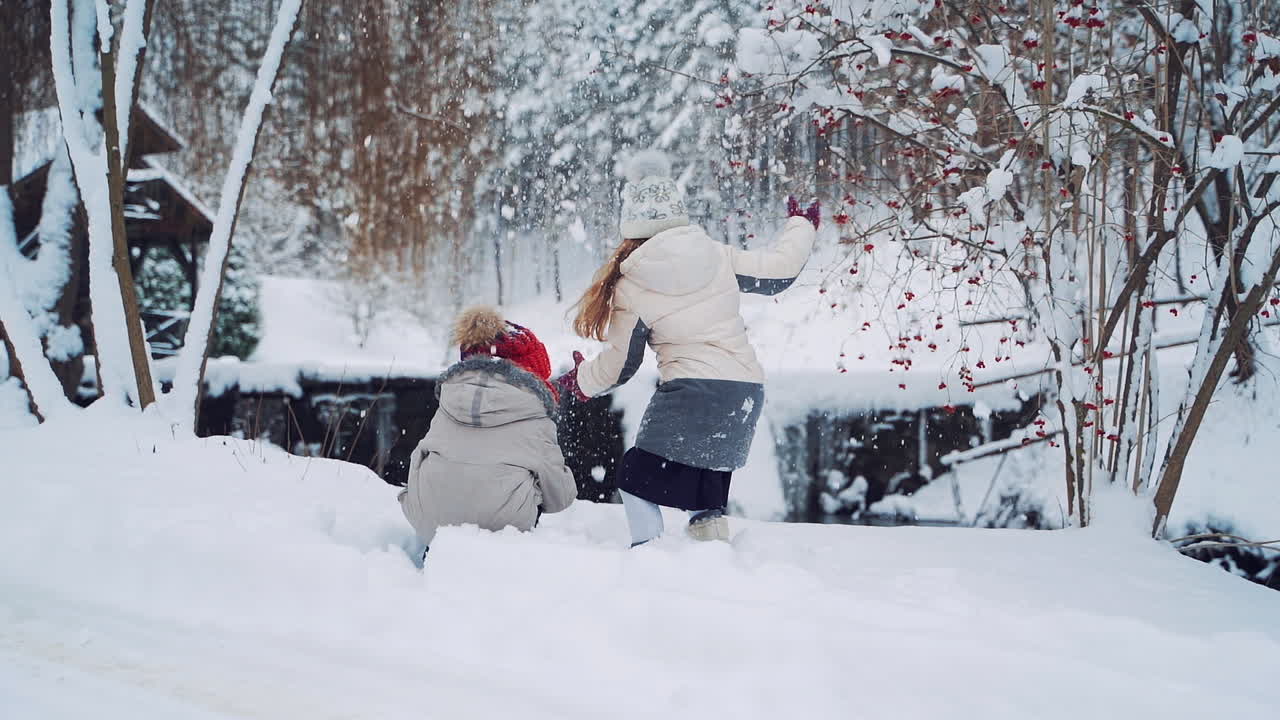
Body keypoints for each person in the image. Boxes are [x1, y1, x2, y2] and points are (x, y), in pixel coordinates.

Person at [556, 150, 818, 546]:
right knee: (707, 498)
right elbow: (778, 274)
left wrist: (578, 384)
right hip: (744, 391)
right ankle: (710, 563)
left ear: (632, 225)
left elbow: (620, 366)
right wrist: (801, 225)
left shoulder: (634, 281)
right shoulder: (715, 253)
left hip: (693, 391)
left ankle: (649, 553)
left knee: (634, 478)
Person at [400, 307, 577, 557]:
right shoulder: (535, 414)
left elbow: (417, 460)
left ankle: (438, 555)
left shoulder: (451, 399)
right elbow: (560, 497)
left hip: (431, 526)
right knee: (533, 484)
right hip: (502, 532)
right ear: (531, 376)